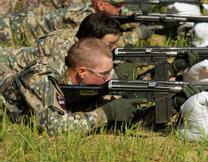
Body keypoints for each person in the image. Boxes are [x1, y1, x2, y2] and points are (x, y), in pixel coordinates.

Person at [0, 38, 146, 136]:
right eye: (104, 73)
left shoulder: (70, 74)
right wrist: (105, 113)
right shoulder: (43, 77)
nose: (109, 78)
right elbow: (52, 127)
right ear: (82, 72)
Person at [0, 12, 121, 81]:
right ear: (92, 39)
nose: (114, 48)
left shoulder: (83, 40)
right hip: (6, 66)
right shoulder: (63, 48)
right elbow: (61, 82)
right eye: (108, 45)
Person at [0, 0, 154, 47]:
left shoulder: (89, 7)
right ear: (101, 5)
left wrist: (136, 18)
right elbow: (97, 45)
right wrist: (137, 34)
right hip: (7, 32)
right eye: (118, 6)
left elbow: (114, 18)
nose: (122, 8)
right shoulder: (81, 18)